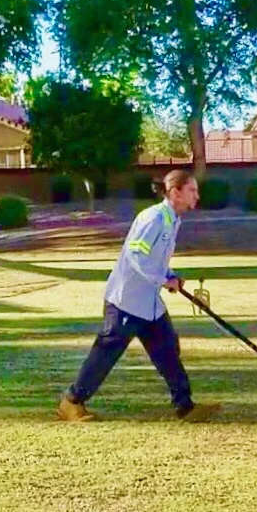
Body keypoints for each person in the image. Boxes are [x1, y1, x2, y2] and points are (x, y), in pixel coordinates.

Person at [57, 169, 221, 423]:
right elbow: (136, 255)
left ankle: (186, 407)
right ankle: (71, 402)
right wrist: (163, 279)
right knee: (106, 353)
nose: (197, 196)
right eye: (192, 190)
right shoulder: (154, 217)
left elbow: (156, 258)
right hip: (126, 302)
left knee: (168, 349)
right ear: (175, 192)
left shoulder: (172, 220)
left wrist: (170, 275)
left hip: (149, 304)